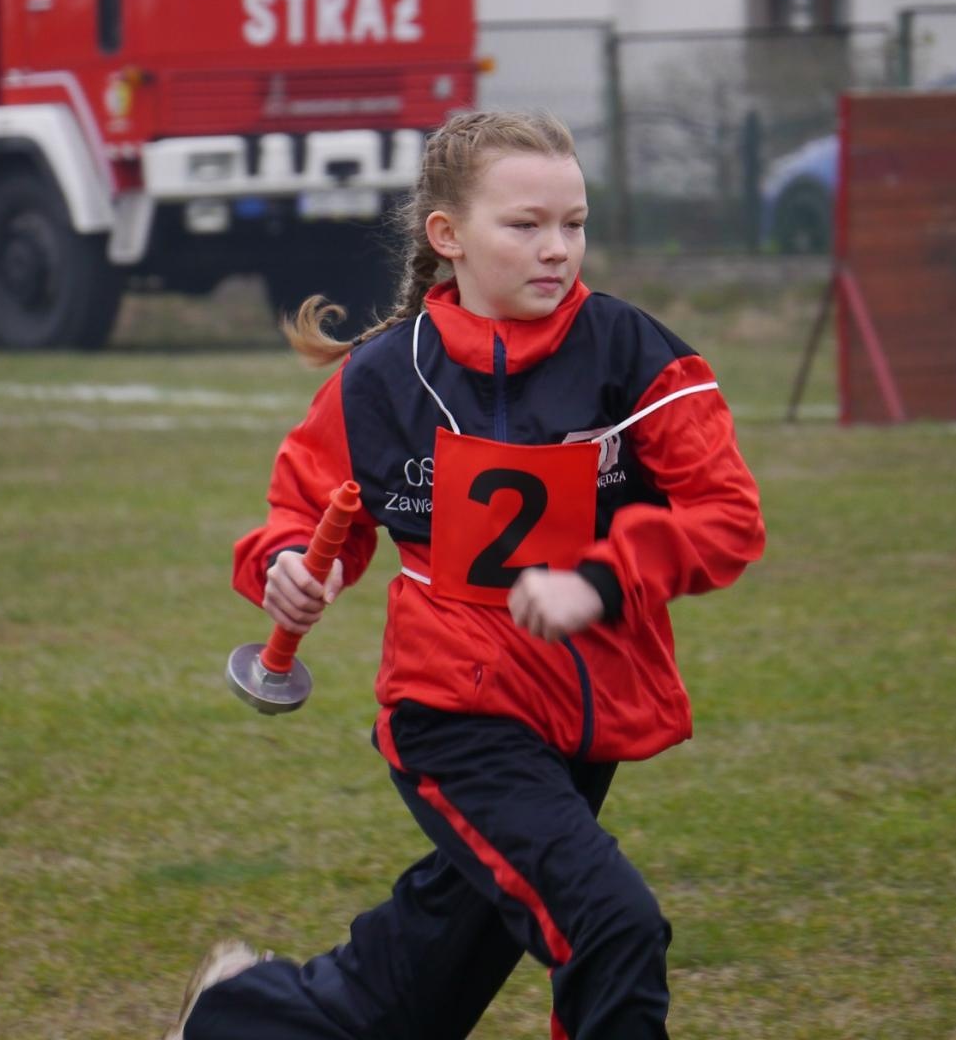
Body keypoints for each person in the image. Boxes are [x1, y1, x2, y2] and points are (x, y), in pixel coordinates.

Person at [168, 110, 766, 1040]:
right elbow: (299, 516)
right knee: (613, 927)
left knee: (419, 996)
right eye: (524, 226)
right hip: (454, 712)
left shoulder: (639, 358)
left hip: (581, 717)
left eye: (573, 224)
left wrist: (601, 581)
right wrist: (286, 567)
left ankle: (240, 1018)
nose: (556, 249)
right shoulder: (381, 379)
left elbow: (728, 520)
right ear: (447, 237)